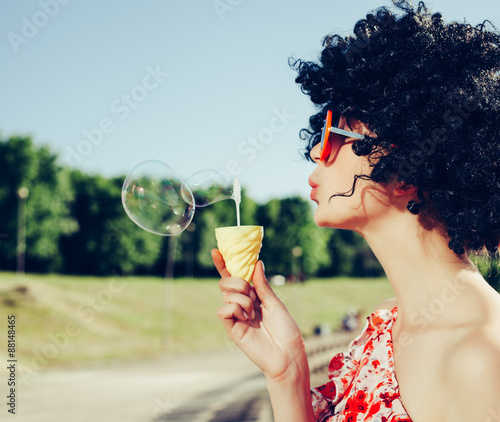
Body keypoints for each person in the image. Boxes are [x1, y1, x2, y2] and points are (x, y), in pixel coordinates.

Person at [211, 1, 500, 420]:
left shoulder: (481, 358)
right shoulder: (382, 328)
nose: (315, 149)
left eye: (334, 133)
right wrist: (287, 373)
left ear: (404, 164)